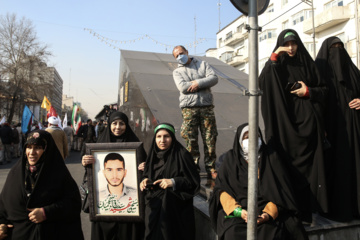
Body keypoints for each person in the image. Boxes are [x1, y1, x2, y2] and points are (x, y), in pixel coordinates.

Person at [259, 29, 328, 222]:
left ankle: (312, 209)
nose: (291, 48)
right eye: (287, 44)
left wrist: (308, 92)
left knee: (311, 171)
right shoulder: (275, 64)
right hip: (284, 127)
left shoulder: (308, 64)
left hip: (308, 127)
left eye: (294, 43)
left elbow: (324, 91)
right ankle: (289, 208)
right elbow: (263, 83)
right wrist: (274, 57)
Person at [209, 124, 308, 240]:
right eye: (246, 137)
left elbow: (282, 192)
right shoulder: (231, 160)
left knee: (271, 232)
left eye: (255, 136)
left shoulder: (271, 157)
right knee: (233, 232)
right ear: (239, 141)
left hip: (265, 210)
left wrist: (267, 214)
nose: (251, 140)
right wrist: (239, 211)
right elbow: (222, 191)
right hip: (239, 212)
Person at [0, 130, 84, 240]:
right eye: (29, 147)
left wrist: (46, 212)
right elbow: (3, 205)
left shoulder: (59, 174)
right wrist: (2, 224)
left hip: (51, 233)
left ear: (46, 150)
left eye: (38, 148)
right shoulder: (16, 173)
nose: (32, 152)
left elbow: (73, 203)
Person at [315, 37, 360, 221]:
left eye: (340, 47)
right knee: (336, 169)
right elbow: (315, 103)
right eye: (333, 48)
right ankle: (336, 210)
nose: (337, 51)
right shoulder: (319, 73)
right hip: (331, 132)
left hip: (355, 131)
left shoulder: (353, 73)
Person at [82, 111, 146, 240]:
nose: (118, 127)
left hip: (130, 216)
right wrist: (86, 163)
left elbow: (146, 175)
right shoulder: (99, 146)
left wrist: (146, 167)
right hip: (103, 213)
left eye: (121, 123)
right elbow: (92, 175)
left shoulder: (136, 146)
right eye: (114, 123)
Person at [140, 123, 200, 240]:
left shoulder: (182, 155)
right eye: (159, 136)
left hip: (174, 211)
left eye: (166, 136)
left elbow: (193, 181)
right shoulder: (153, 156)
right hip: (153, 207)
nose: (162, 140)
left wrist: (173, 182)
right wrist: (145, 180)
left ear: (172, 137)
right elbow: (147, 174)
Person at [172, 45, 219, 179]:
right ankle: (194, 168)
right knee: (190, 139)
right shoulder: (177, 72)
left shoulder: (203, 64)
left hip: (206, 107)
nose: (180, 56)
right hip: (189, 108)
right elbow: (183, 87)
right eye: (177, 56)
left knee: (210, 138)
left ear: (187, 52)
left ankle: (211, 168)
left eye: (181, 53)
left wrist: (197, 83)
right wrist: (204, 83)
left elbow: (214, 78)